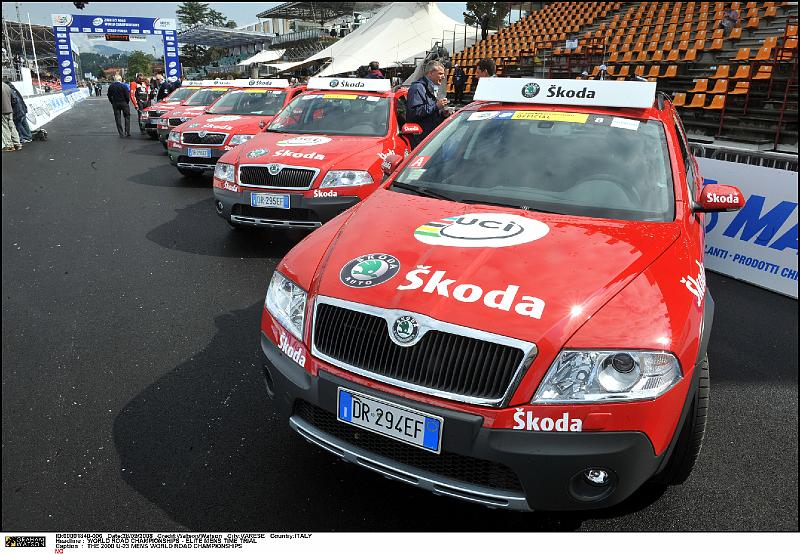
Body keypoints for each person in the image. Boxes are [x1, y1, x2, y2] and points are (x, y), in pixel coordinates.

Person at [407, 60, 449, 148]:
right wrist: (436, 106)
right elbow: (415, 112)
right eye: (440, 74)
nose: (443, 76)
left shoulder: (430, 87)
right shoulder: (417, 88)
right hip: (421, 139)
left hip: (430, 136)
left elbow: (430, 113)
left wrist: (442, 114)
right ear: (430, 74)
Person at [2, 79, 22, 151]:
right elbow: (13, 99)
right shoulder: (7, 86)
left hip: (3, 111)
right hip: (10, 109)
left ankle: (9, 145)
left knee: (5, 128)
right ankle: (17, 143)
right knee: (12, 127)